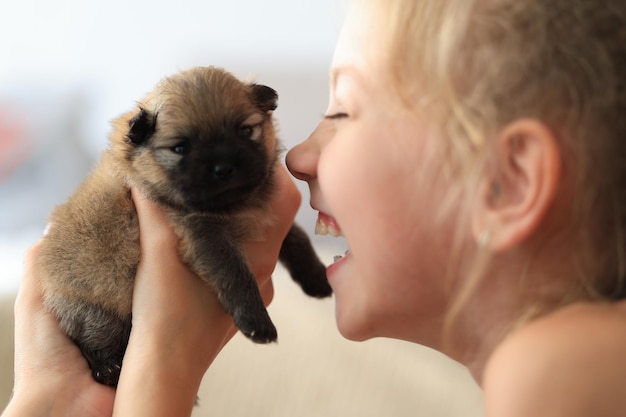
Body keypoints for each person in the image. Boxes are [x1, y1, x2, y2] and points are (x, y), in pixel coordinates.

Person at [3, 0, 626, 415]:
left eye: (342, 111)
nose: (298, 155)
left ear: (506, 181)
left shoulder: (554, 371)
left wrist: (159, 374)